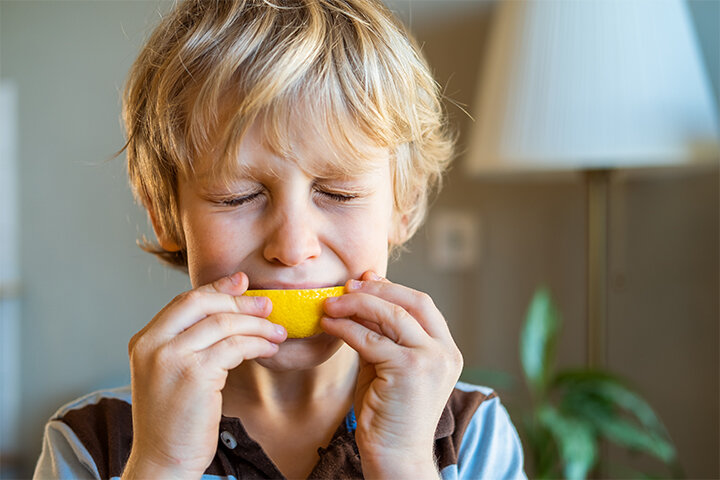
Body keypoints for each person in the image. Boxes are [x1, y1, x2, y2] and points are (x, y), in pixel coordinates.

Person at [34, 1, 526, 478]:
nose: (292, 249)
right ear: (167, 215)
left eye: (339, 193)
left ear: (405, 206)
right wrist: (162, 466)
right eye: (238, 196)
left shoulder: (472, 434)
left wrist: (404, 463)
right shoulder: (93, 443)